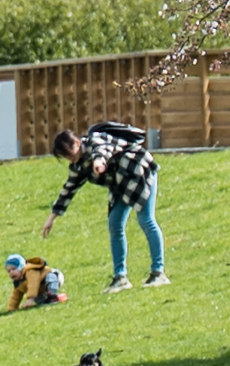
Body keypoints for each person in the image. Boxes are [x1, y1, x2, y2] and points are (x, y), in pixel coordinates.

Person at [45, 120, 166, 290]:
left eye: (69, 152)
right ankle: (120, 278)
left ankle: (158, 272)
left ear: (77, 142)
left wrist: (99, 162)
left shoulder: (96, 139)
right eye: (65, 157)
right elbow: (68, 190)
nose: (69, 158)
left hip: (138, 172)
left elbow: (102, 150)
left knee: (146, 220)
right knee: (115, 225)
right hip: (120, 185)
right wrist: (52, 218)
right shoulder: (78, 166)